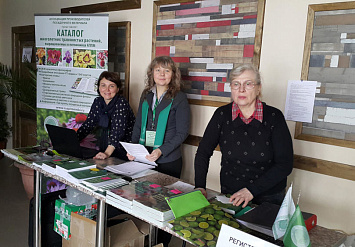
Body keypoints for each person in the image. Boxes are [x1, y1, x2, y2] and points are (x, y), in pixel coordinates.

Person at [194, 64, 293, 207]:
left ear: (258, 88)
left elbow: (285, 164)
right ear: (231, 88)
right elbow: (203, 152)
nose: (241, 89)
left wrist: (251, 190)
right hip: (231, 195)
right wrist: (200, 186)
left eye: (248, 84)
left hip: (269, 198)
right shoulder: (222, 115)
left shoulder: (274, 117)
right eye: (236, 84)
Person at [128, 56, 190, 179]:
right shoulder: (146, 95)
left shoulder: (179, 98)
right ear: (152, 73)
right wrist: (133, 149)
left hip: (168, 160)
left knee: (163, 197)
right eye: (158, 70)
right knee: (143, 196)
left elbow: (182, 133)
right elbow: (138, 125)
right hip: (144, 158)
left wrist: (160, 150)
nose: (162, 74)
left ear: (173, 74)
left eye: (167, 71)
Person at [77, 71, 135, 160]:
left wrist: (107, 153)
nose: (107, 90)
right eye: (103, 85)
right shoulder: (98, 101)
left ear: (118, 89)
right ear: (99, 87)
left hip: (124, 151)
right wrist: (73, 142)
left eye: (111, 86)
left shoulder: (121, 103)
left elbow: (117, 133)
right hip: (106, 147)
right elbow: (88, 125)